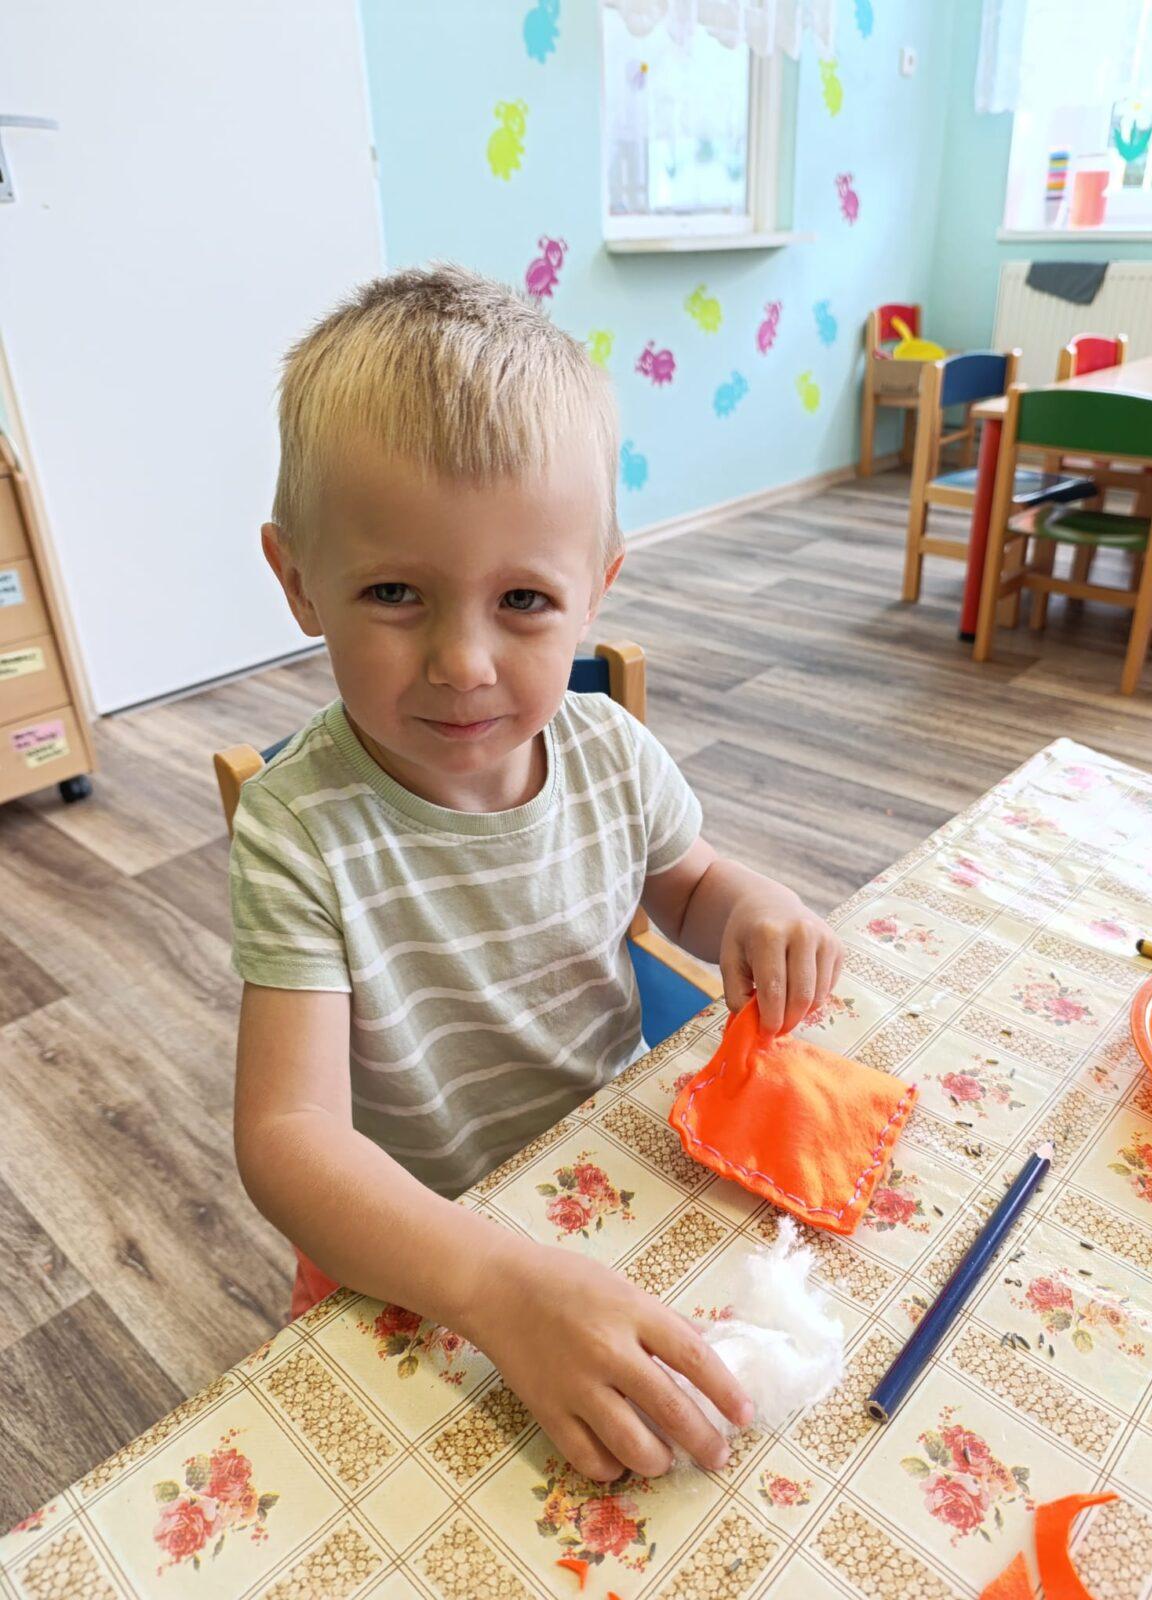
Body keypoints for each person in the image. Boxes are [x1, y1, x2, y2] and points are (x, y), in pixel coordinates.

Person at [231, 263, 844, 1482]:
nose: (461, 661)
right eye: (393, 592)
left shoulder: (608, 749)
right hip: (415, 1252)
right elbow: (289, 1137)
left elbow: (686, 887)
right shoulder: (297, 830)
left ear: (595, 589)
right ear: (298, 581)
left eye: (522, 599)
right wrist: (493, 1282)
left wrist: (754, 906)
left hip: (599, 1184)